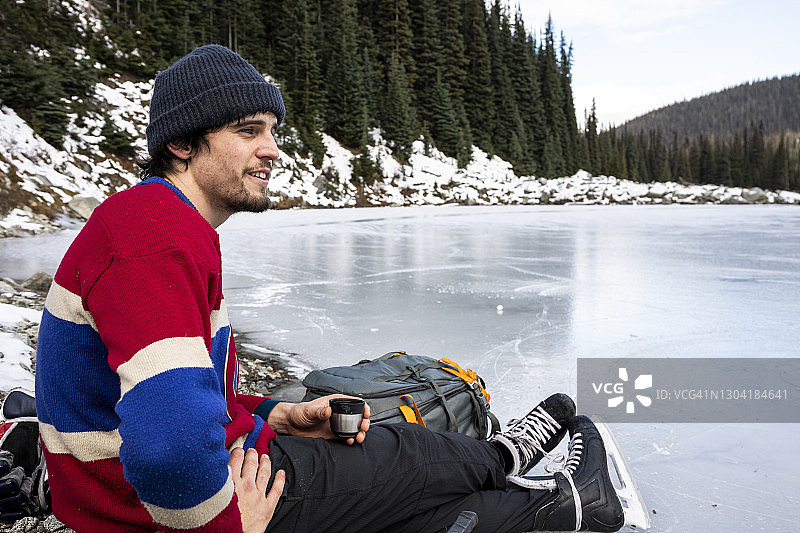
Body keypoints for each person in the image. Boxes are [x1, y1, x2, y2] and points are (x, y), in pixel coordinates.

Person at [34, 44, 624, 532]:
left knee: (388, 477)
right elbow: (169, 445)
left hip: (130, 487)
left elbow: (177, 393)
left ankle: (515, 470)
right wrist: (227, 525)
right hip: (143, 503)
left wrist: (278, 416)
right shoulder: (154, 235)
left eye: (272, 130)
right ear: (183, 144)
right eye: (248, 131)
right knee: (406, 458)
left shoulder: (164, 224)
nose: (272, 149)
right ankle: (549, 492)